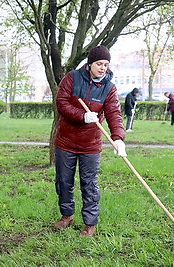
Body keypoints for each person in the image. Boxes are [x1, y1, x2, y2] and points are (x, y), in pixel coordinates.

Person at [54, 45, 126, 237]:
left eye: (106, 64)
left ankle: (90, 223)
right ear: (90, 63)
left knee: (89, 184)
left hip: (91, 144)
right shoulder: (72, 78)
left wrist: (118, 138)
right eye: (99, 64)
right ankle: (67, 215)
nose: (103, 68)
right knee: (64, 181)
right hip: (66, 141)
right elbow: (61, 103)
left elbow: (114, 114)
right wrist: (82, 116)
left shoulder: (109, 88)